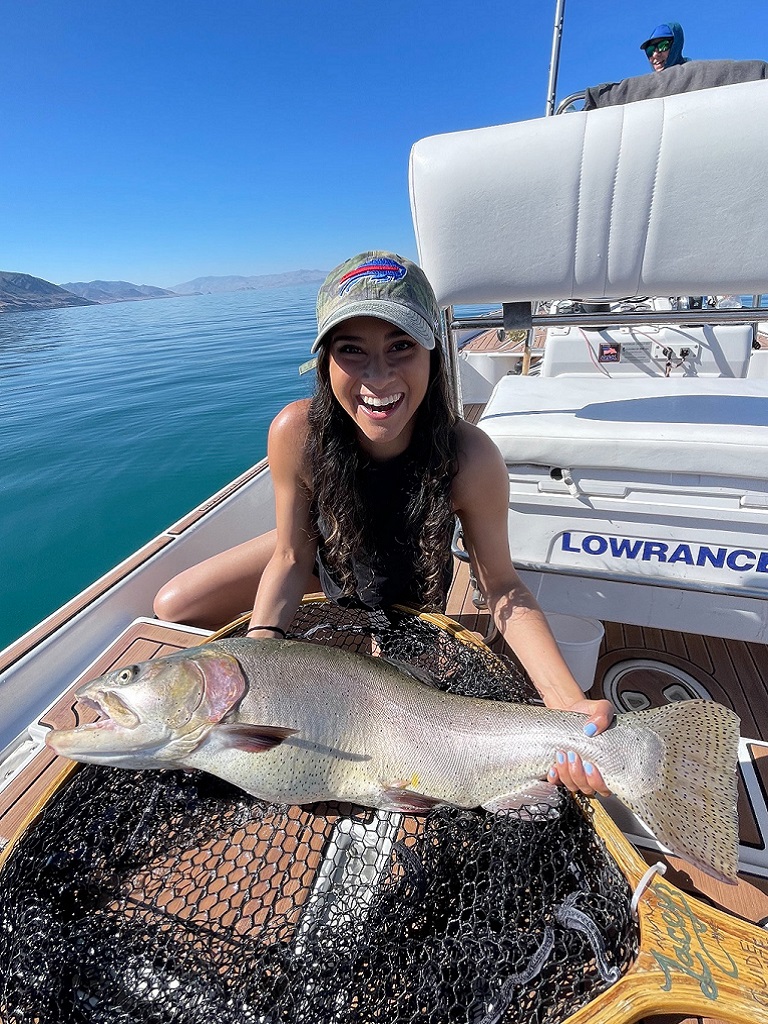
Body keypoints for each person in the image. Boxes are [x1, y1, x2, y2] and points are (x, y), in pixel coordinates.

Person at [154, 251, 615, 798]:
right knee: (174, 606)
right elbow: (289, 556)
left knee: (393, 731)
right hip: (319, 558)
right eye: (352, 351)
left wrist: (566, 702)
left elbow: (501, 585)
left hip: (404, 583)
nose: (378, 377)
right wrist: (262, 655)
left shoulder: (470, 457)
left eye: (401, 347)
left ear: (433, 355)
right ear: (325, 363)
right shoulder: (294, 432)